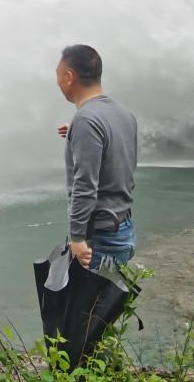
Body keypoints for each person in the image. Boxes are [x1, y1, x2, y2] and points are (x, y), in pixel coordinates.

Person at [55, 44, 138, 272]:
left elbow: (85, 185)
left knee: (88, 308)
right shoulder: (122, 113)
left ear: (69, 77)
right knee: (110, 306)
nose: (58, 82)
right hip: (122, 226)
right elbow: (118, 158)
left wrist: (78, 238)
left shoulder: (87, 120)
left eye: (58, 75)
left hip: (98, 238)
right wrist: (77, 133)